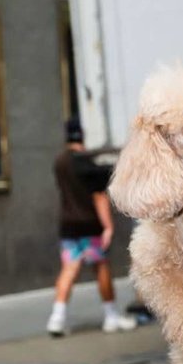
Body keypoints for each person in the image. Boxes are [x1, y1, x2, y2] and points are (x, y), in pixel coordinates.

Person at [46, 118, 137, 336]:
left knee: (69, 268)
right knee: (101, 268)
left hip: (68, 224)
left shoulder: (59, 162)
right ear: (82, 134)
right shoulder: (86, 163)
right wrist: (108, 227)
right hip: (89, 225)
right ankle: (111, 316)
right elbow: (99, 197)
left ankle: (56, 318)